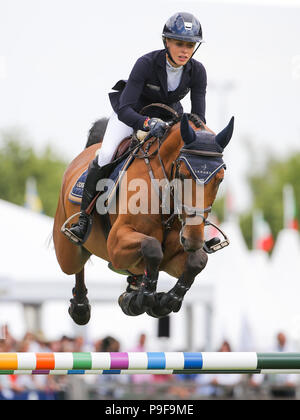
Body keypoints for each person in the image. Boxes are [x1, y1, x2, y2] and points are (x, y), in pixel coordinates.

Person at [68, 12, 207, 244]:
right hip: (131, 116)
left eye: (190, 45)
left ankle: (197, 224)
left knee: (190, 165)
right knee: (105, 155)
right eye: (179, 43)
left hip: (169, 120)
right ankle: (83, 219)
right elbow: (125, 108)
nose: (185, 50)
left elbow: (199, 117)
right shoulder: (146, 64)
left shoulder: (198, 71)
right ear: (167, 42)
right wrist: (146, 123)